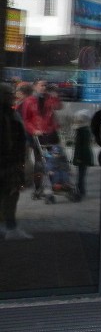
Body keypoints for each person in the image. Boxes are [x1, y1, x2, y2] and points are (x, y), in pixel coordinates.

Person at [20, 79, 63, 202]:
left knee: (55, 160)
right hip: (38, 136)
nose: (44, 87)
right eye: (41, 85)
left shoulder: (50, 98)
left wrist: (55, 95)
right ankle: (39, 187)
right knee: (40, 162)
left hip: (51, 134)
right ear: (35, 86)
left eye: (45, 85)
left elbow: (58, 107)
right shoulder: (29, 101)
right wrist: (34, 130)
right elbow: (26, 120)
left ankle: (55, 184)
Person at [0, 84, 31, 240]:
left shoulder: (11, 114)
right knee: (10, 194)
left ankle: (9, 227)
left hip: (10, 162)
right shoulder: (9, 114)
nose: (11, 96)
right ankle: (10, 227)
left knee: (11, 193)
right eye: (7, 93)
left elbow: (19, 139)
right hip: (8, 162)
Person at [72, 109, 95, 198]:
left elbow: (79, 146)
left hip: (81, 156)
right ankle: (82, 190)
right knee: (82, 174)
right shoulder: (86, 130)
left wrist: (77, 158)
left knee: (80, 175)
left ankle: (80, 190)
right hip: (85, 156)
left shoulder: (81, 131)